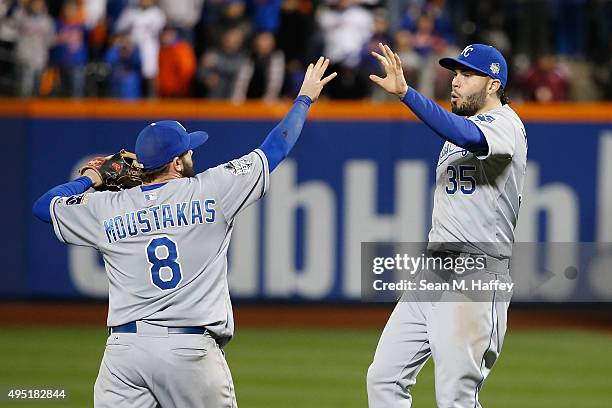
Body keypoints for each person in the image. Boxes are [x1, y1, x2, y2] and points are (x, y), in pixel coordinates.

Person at [32, 57, 336, 408]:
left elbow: (44, 207)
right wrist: (304, 99)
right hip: (189, 351)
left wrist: (93, 177)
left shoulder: (107, 207)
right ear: (176, 162)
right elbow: (276, 147)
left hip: (123, 354)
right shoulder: (211, 189)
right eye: (188, 149)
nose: (193, 152)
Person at [366, 43, 527, 407]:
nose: (456, 82)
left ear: (493, 84)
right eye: (455, 73)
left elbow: (466, 136)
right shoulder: (462, 127)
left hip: (475, 275)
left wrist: (407, 94)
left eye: (467, 75)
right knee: (384, 378)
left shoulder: (506, 125)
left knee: (455, 397)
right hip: (433, 270)